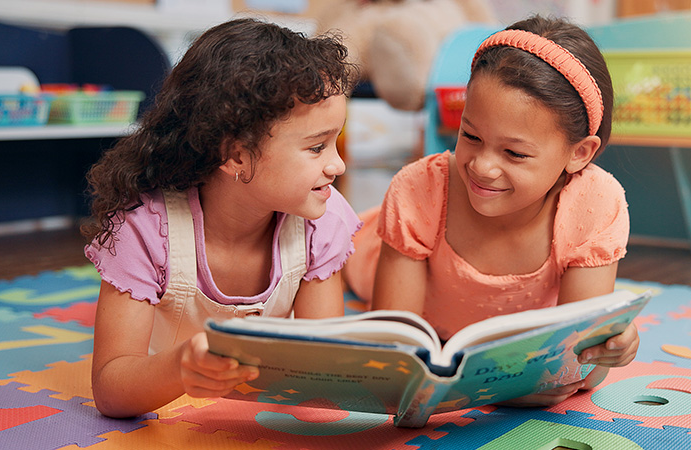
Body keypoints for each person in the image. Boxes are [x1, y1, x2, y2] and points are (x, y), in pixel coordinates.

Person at [344, 15, 636, 406]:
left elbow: (575, 368)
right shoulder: (419, 189)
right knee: (351, 251)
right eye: (470, 135)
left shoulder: (596, 203)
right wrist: (513, 388)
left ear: (578, 153)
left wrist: (610, 348)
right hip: (372, 250)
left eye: (514, 153)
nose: (482, 166)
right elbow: (394, 348)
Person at [82, 18, 360, 418]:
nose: (338, 165)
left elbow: (326, 372)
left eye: (334, 141)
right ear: (236, 156)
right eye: (317, 147)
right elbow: (111, 390)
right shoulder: (145, 229)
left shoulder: (320, 220)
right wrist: (181, 367)